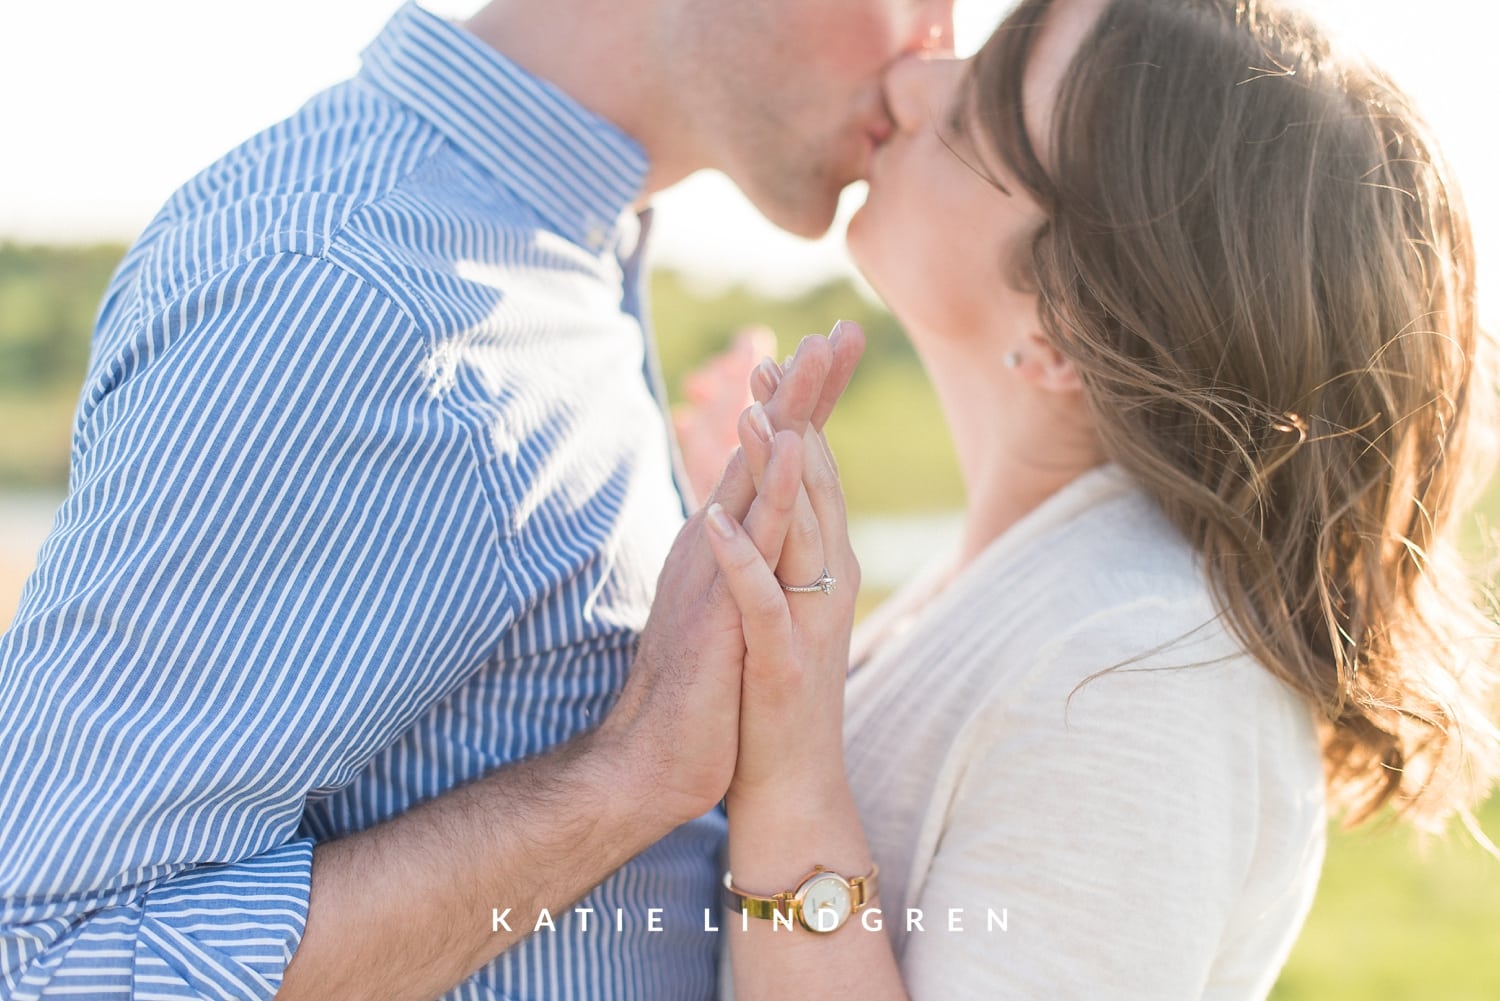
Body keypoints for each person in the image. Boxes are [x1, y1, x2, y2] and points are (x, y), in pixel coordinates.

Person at [0, 2, 954, 1000]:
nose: (939, 44)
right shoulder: (358, 298)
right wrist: (627, 773)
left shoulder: (536, 259)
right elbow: (47, 959)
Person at [676, 0, 1500, 996]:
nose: (909, 78)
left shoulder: (1142, 673)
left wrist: (791, 775)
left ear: (1068, 325)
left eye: (974, 118)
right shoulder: (1050, 594)